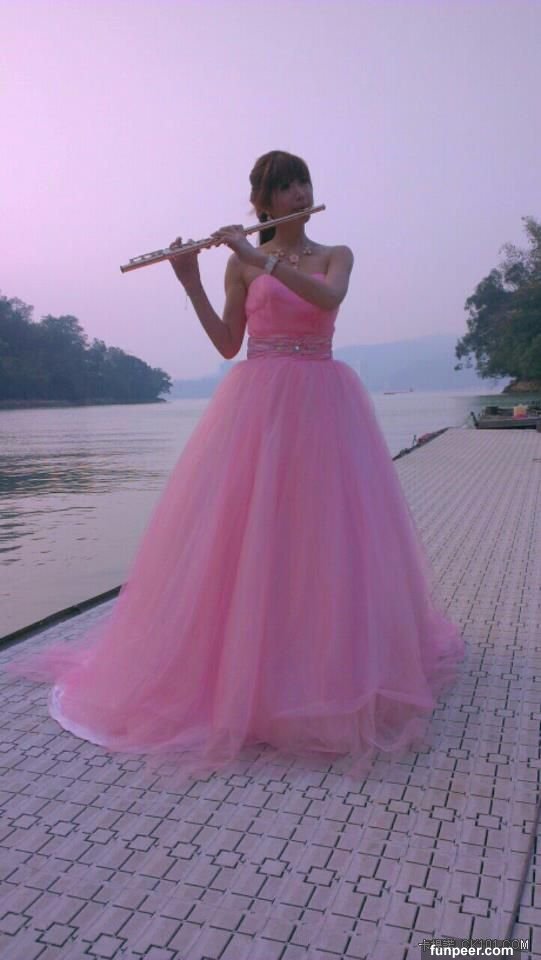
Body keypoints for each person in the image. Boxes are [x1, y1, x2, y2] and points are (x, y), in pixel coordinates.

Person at [5, 150, 464, 785]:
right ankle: (250, 670)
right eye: (284, 185)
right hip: (258, 408)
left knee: (325, 537)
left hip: (324, 404)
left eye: (302, 181)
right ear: (263, 201)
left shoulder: (335, 255)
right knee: (248, 538)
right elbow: (228, 344)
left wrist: (259, 257)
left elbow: (328, 297)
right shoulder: (238, 264)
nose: (298, 191)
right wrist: (191, 279)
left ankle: (327, 666)